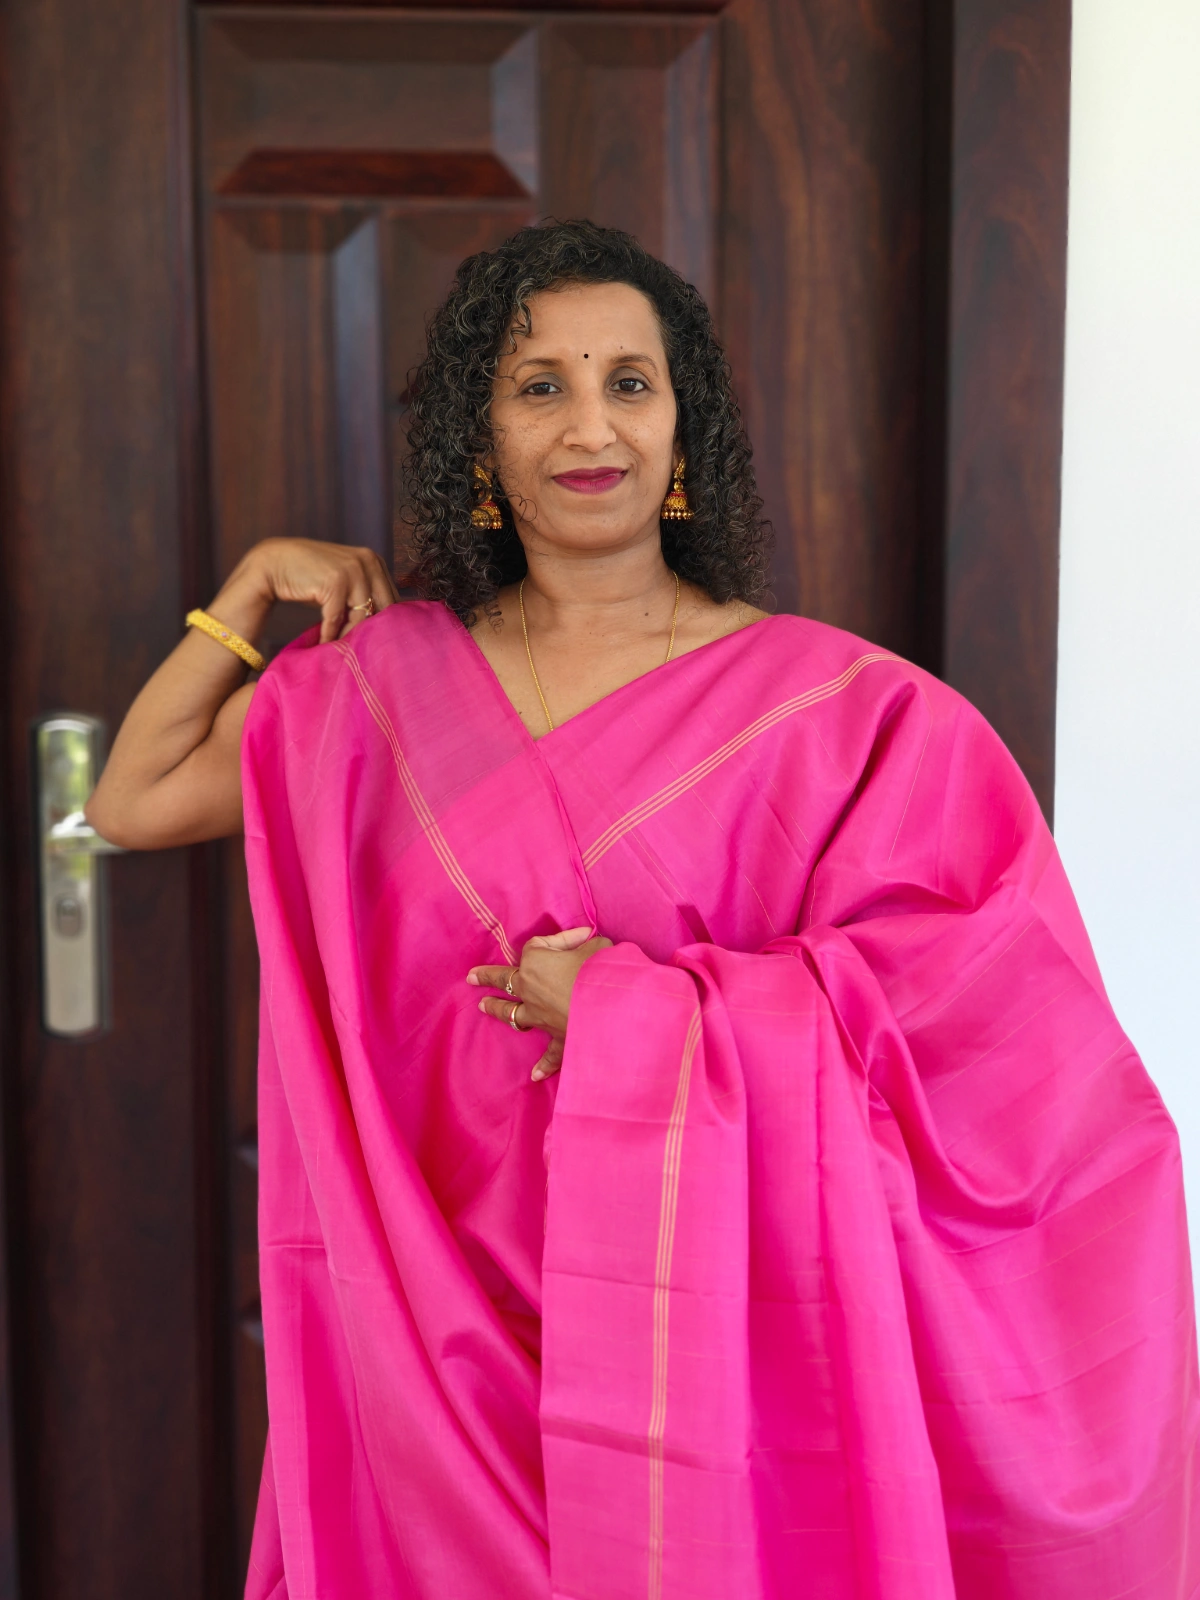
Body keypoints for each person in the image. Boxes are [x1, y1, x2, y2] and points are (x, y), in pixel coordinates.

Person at [87, 221, 1198, 1600]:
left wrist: (632, 1010)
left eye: (629, 382)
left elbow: (983, 1016)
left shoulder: (841, 711)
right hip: (439, 1330)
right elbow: (133, 800)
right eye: (537, 386)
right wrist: (247, 589)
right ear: (478, 437)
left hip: (706, 1320)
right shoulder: (373, 691)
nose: (589, 426)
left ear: (684, 427)